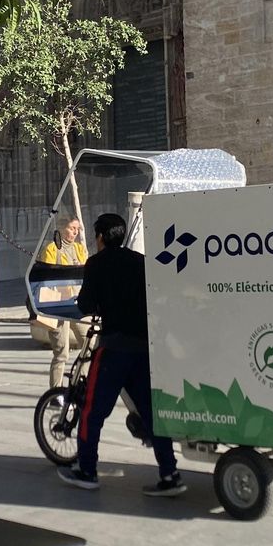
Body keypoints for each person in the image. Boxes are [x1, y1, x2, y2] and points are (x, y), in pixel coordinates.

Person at [57, 212, 185, 497]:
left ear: (100, 237)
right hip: (143, 347)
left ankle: (87, 470)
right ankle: (170, 472)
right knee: (151, 412)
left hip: (114, 347)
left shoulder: (96, 263)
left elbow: (86, 303)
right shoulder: (139, 261)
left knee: (92, 410)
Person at [43, 217, 90, 388]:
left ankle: (80, 382)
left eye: (77, 228)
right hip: (58, 306)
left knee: (89, 344)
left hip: (77, 303)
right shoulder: (51, 249)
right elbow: (46, 277)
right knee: (61, 353)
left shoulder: (80, 248)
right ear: (62, 229)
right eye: (71, 228)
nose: (75, 232)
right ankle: (54, 391)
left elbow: (87, 272)